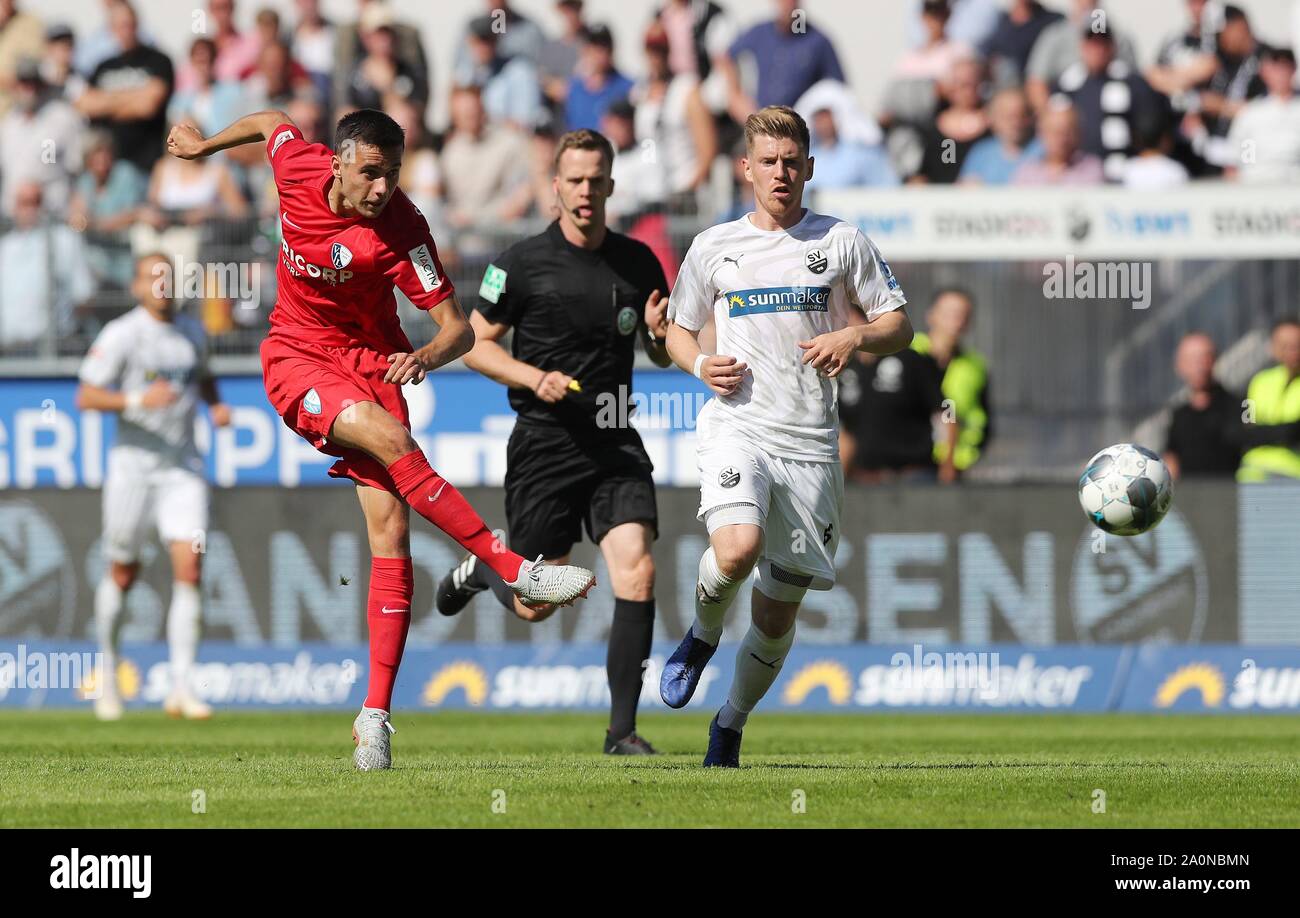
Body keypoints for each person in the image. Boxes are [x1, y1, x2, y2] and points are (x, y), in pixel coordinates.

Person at [165, 107, 598, 770]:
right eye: (370, 172)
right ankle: (514, 568)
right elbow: (273, 121)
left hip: (377, 363)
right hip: (298, 356)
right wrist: (202, 147)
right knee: (388, 436)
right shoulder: (295, 165)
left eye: (392, 174)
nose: (381, 188)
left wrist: (426, 357)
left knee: (390, 535)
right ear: (337, 162)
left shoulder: (404, 231)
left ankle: (374, 717)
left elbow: (458, 330)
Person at [658, 106, 913, 766]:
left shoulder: (842, 241)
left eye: (791, 161)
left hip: (810, 443)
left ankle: (731, 723)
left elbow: (899, 325)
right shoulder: (714, 246)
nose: (780, 172)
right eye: (768, 161)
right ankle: (701, 634)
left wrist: (853, 334)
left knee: (776, 615)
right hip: (738, 423)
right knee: (736, 549)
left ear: (809, 167)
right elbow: (677, 329)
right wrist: (697, 363)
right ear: (746, 168)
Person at [434, 129, 673, 755]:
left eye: (597, 179)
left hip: (616, 436)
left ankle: (622, 732)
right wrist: (531, 376)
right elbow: (472, 344)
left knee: (638, 571)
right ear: (556, 187)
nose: (586, 190)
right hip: (546, 443)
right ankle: (487, 574)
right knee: (538, 600)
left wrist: (656, 337)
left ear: (612, 184)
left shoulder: (640, 262)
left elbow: (658, 350)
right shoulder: (518, 264)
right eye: (575, 179)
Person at [76, 253, 232, 721]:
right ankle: (108, 675)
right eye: (153, 277)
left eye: (169, 277)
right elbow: (85, 395)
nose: (163, 285)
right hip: (134, 469)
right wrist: (136, 398)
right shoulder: (123, 335)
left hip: (181, 467)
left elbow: (202, 376)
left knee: (191, 566)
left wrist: (216, 406)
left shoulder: (192, 332)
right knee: (123, 571)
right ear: (138, 286)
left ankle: (182, 687)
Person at [1163, 330, 1300, 479]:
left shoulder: (1238, 405)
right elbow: (1172, 459)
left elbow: (1253, 435)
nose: (1199, 366)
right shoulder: (1178, 415)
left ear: (1215, 359)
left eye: (1204, 357)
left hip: (1232, 494)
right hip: (1190, 497)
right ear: (1179, 365)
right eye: (1192, 359)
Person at [75, 1, 174, 178]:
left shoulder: (159, 60)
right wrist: (134, 97)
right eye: (120, 25)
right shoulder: (103, 66)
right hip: (105, 170)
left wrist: (106, 104)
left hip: (145, 166)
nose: (125, 30)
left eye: (129, 24)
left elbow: (148, 106)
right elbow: (85, 105)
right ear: (111, 29)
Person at [838, 345, 952, 483]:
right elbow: (846, 431)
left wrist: (948, 462)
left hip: (915, 476)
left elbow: (947, 406)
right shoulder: (847, 368)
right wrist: (841, 478)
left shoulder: (911, 359)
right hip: (867, 479)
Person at [721, 0, 844, 123]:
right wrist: (734, 95)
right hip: (761, 123)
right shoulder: (760, 33)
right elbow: (724, 57)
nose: (787, 4)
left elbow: (837, 91)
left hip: (798, 127)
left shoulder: (817, 41)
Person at [911, 288, 989, 478]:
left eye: (963, 315)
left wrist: (958, 459)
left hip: (953, 467)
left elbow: (979, 419)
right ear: (931, 316)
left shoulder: (975, 366)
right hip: (908, 465)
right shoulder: (907, 355)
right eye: (950, 314)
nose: (957, 321)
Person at [1225, 47, 1300, 184]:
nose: (1280, 75)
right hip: (1257, 181)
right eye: (1275, 69)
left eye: (1284, 68)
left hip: (1294, 179)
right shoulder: (1251, 113)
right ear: (1264, 73)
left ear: (1293, 69)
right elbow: (1238, 159)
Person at [1238, 319, 1300, 482]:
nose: (1292, 350)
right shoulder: (1258, 381)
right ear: (1273, 347)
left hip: (1293, 474)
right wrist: (1284, 432)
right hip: (1253, 473)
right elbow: (1245, 427)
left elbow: (1294, 432)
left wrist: (1263, 431)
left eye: (1296, 344)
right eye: (1284, 344)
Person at [958, 87, 1042, 185]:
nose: (1015, 123)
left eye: (1021, 115)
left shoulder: (1044, 150)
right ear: (992, 118)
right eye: (1008, 117)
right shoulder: (981, 153)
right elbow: (965, 189)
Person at [1011, 103, 1103, 185]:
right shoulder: (1026, 173)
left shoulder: (1092, 170)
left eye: (1067, 131)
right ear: (1040, 133)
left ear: (1078, 133)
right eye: (1053, 131)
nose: (1061, 138)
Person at [565, 24, 633, 132]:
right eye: (594, 47)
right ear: (585, 50)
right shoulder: (575, 89)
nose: (599, 53)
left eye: (604, 47)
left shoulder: (627, 88)